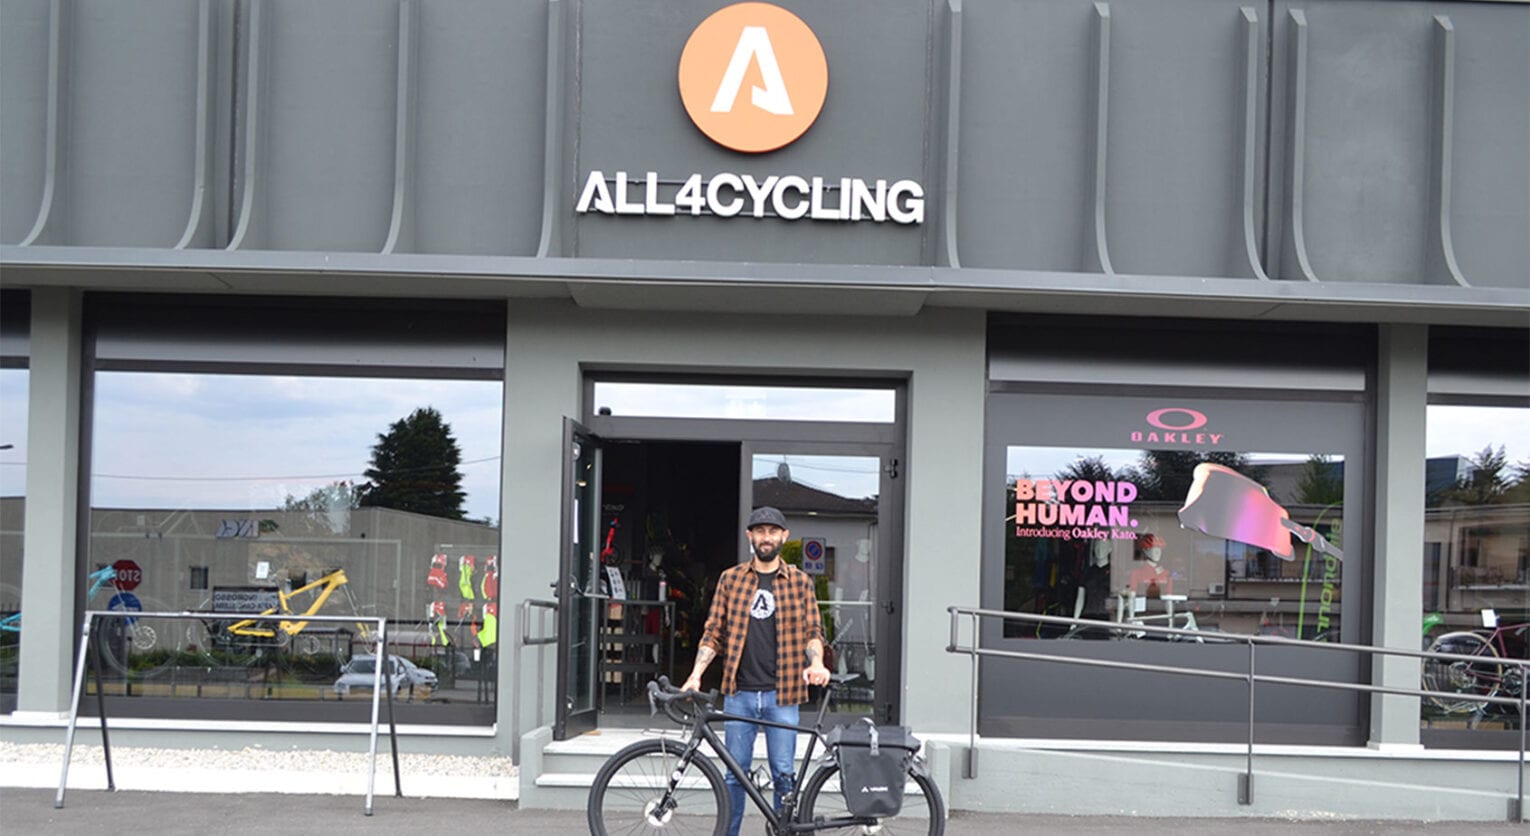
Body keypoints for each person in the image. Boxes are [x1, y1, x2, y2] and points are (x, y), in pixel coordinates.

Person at [681, 506, 830, 836]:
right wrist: (695, 674)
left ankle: (783, 831)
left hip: (783, 694)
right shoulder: (731, 579)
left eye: (773, 531)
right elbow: (713, 633)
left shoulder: (800, 582)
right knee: (734, 775)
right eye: (760, 531)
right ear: (749, 535)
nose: (766, 537)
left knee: (783, 774)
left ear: (784, 536)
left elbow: (813, 631)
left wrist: (817, 663)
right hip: (739, 694)